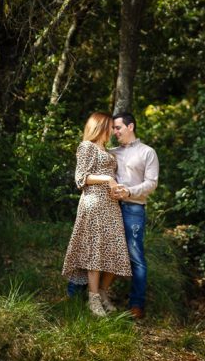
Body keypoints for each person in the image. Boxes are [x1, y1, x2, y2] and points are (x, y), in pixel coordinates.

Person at [61, 112, 132, 318]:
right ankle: (93, 299)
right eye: (111, 126)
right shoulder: (87, 147)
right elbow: (80, 178)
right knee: (96, 250)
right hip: (93, 203)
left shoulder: (108, 151)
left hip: (111, 205)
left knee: (116, 250)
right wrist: (107, 179)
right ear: (100, 126)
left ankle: (102, 292)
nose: (113, 130)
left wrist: (119, 188)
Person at [102, 112, 159, 320]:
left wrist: (129, 191)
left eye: (118, 128)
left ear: (131, 126)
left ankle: (136, 305)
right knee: (103, 251)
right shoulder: (111, 152)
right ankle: (87, 294)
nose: (115, 132)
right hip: (110, 208)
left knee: (135, 258)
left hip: (134, 209)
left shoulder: (148, 152)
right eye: (113, 129)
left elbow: (152, 183)